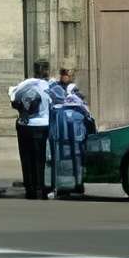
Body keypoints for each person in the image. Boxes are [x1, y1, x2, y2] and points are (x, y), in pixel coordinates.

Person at [46, 68, 94, 199]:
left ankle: (77, 184)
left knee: (76, 158)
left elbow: (87, 113)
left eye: (67, 74)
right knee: (60, 158)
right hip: (62, 131)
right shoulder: (55, 88)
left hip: (74, 133)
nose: (65, 77)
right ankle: (62, 186)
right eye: (63, 74)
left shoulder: (75, 90)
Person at [9, 57, 52, 198]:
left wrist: (23, 111)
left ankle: (30, 188)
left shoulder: (25, 84)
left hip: (25, 126)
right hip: (43, 126)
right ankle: (41, 186)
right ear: (46, 71)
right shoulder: (49, 86)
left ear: (34, 70)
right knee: (41, 158)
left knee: (27, 158)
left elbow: (14, 101)